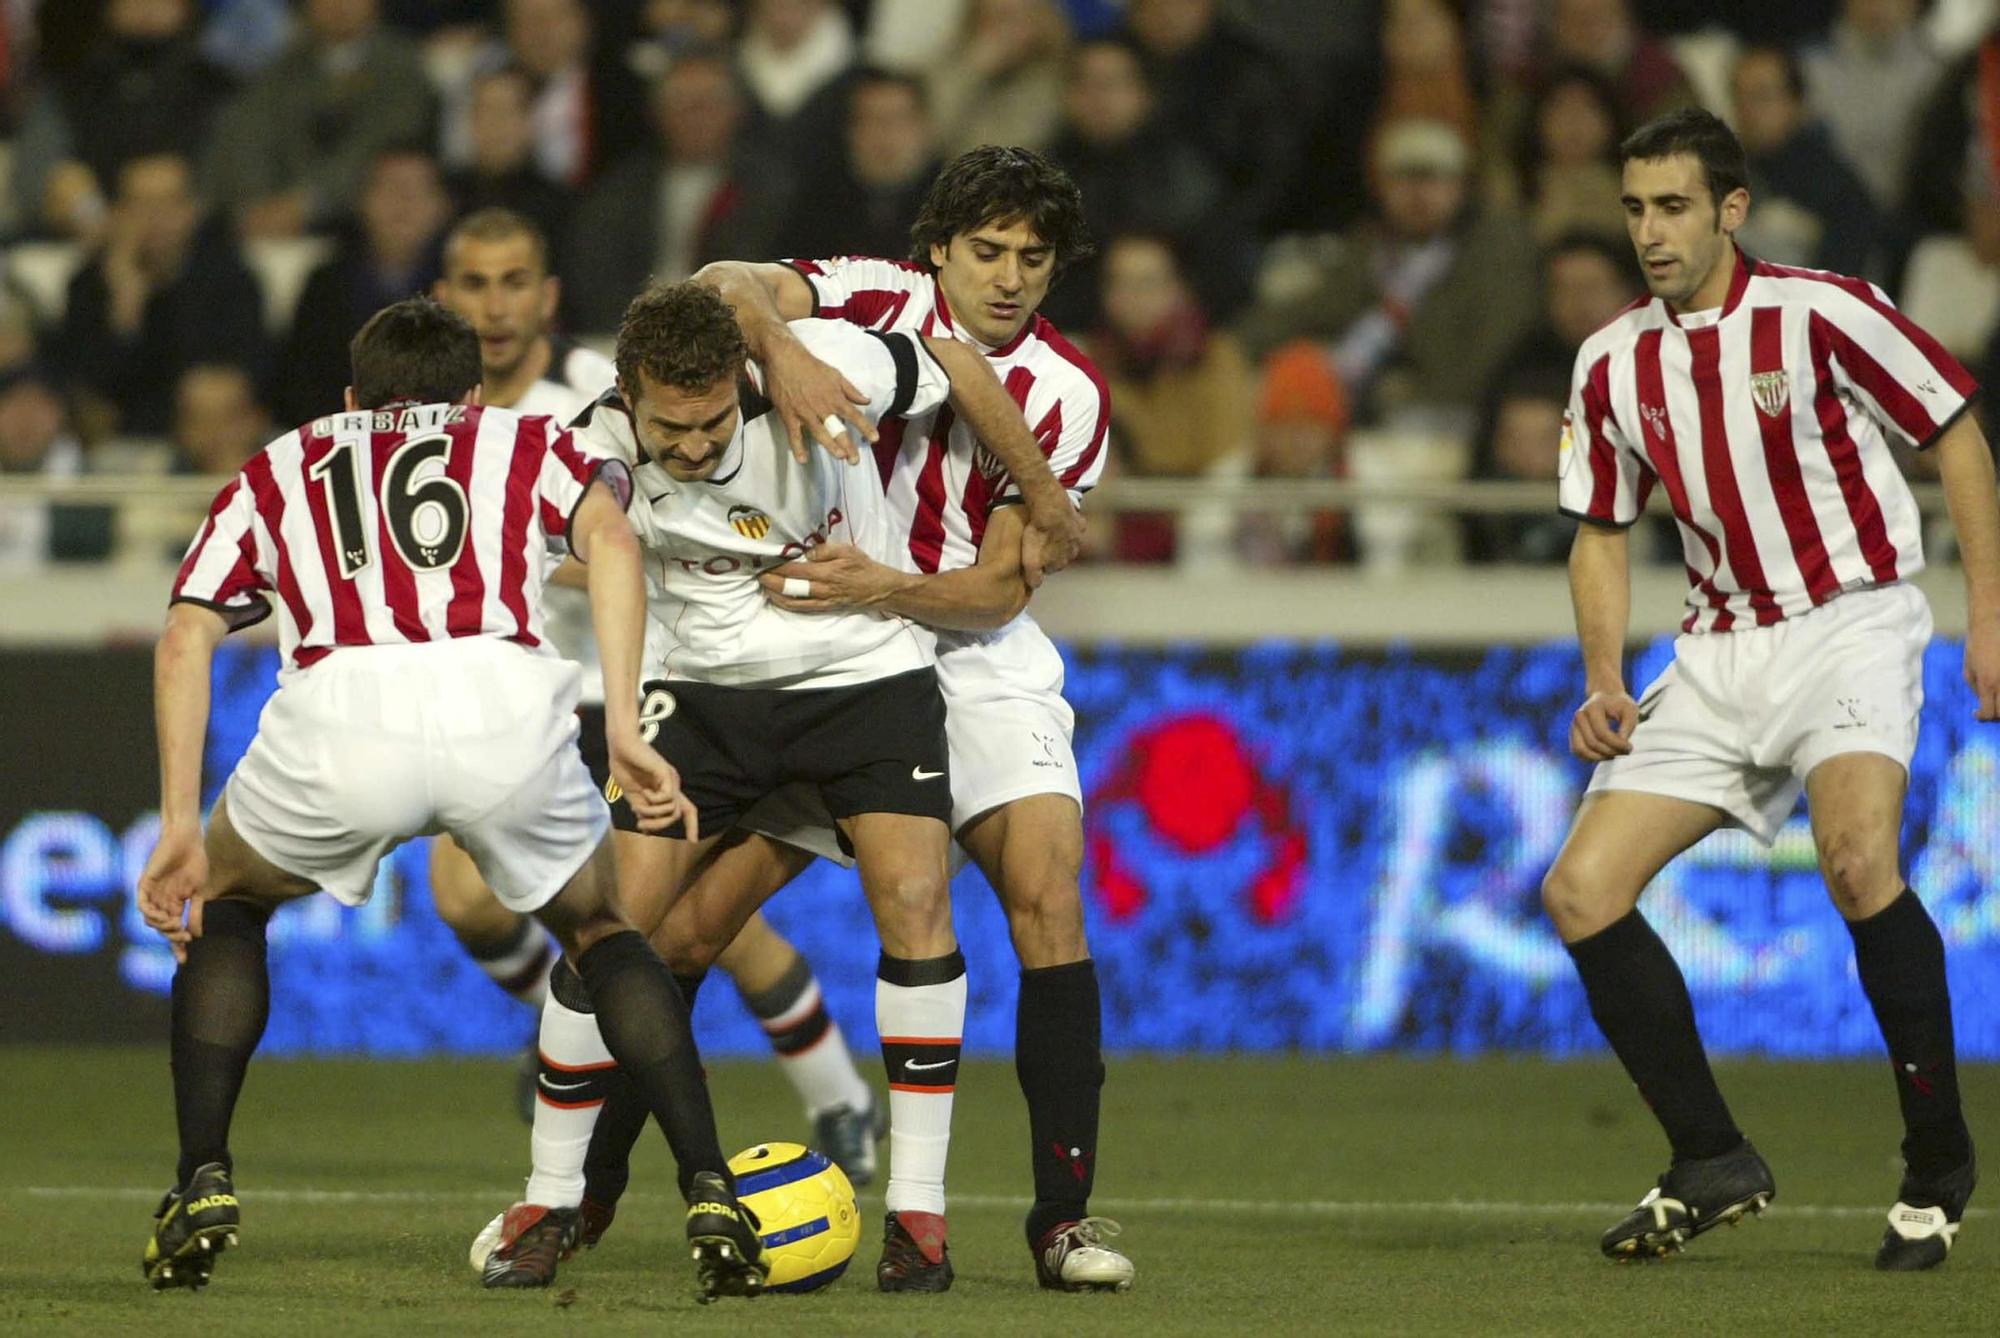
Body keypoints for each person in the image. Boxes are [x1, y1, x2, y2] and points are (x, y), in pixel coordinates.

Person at [135, 296, 767, 1301]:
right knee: (604, 932)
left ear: (351, 399)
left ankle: (201, 1178)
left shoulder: (284, 461)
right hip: (498, 706)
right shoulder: (517, 440)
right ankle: (709, 1185)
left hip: (342, 711)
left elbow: (185, 632)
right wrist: (622, 727)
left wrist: (178, 828)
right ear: (470, 395)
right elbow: (612, 542)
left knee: (234, 903)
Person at [473, 279, 1086, 1292]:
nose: (694, 443)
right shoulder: (594, 443)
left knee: (916, 907)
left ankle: (919, 1221)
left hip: (862, 680)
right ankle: (552, 1197)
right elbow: (577, 547)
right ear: (629, 397)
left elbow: (964, 365)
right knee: (611, 927)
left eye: (713, 419)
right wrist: (646, 573)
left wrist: (1045, 494)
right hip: (704, 702)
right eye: (670, 425)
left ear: (742, 381)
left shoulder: (818, 366)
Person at [637, 144, 1138, 1294]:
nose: (1009, 276)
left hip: (967, 657)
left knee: (1048, 894)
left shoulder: (1068, 395)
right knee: (681, 933)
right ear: (938, 251)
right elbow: (723, 279)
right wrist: (783, 358)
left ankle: (1061, 1222)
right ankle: (583, 1198)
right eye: (987, 251)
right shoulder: (871, 295)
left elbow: (999, 591)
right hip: (830, 660)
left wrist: (883, 586)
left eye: (1033, 257)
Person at [1544, 108, 1995, 1270]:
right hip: (1714, 651)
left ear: (1729, 210)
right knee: (1579, 892)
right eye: (1635, 207)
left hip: (1849, 622)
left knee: (1855, 860)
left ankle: (1936, 1161)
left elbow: (1955, 435)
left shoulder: (1821, 309)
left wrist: (1986, 625)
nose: (1649, 231)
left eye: (1673, 207)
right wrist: (1603, 675)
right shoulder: (1610, 361)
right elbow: (1599, 530)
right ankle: (1709, 1159)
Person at [427, 208, 883, 1165]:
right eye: (474, 284)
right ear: (445, 296)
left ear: (548, 296)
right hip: (517, 688)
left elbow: (642, 543)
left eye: (515, 282)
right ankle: (564, 1025)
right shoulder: (443, 419)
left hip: (630, 683)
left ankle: (841, 1098)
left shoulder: (611, 395)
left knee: (689, 922)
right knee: (468, 897)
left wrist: (542, 551)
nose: (495, 305)